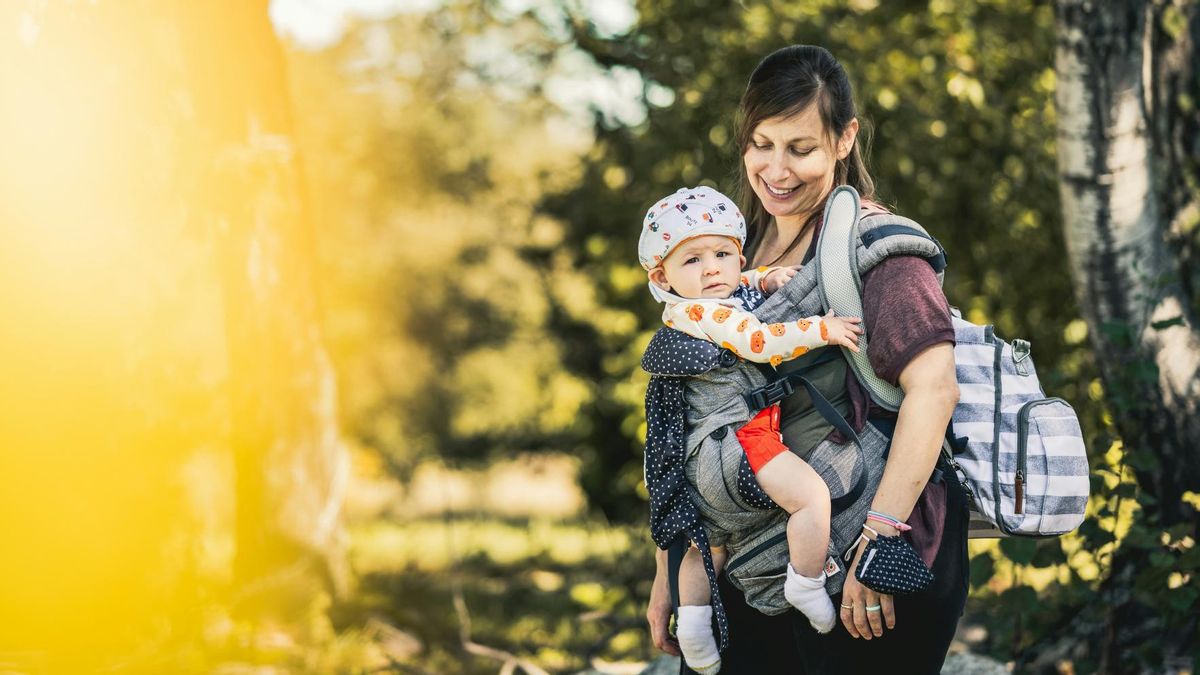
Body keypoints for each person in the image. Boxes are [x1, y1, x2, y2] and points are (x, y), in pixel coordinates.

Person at [644, 44, 968, 674]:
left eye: (800, 148)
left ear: (844, 139)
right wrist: (673, 568)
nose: (776, 169)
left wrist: (878, 545)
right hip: (747, 561)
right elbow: (685, 414)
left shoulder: (877, 246)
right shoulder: (731, 255)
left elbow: (935, 390)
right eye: (762, 144)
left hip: (865, 555)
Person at [637, 185, 864, 674]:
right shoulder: (706, 312)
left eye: (723, 253)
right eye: (693, 260)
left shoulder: (688, 307)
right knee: (811, 498)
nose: (713, 268)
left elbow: (735, 287)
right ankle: (805, 581)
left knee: (709, 545)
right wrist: (821, 330)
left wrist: (763, 278)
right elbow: (759, 340)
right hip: (740, 444)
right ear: (662, 275)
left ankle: (695, 632)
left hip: (701, 461)